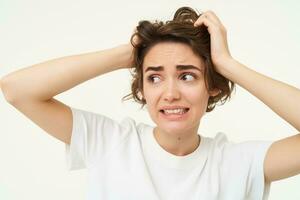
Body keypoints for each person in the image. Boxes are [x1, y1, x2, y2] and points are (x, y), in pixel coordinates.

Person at [1, 6, 300, 200]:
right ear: (142, 88)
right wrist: (127, 54)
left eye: (187, 76)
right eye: (155, 78)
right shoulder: (110, 143)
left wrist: (227, 65)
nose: (169, 93)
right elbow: (16, 89)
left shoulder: (238, 163)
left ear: (211, 86)